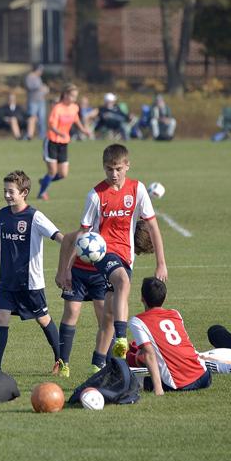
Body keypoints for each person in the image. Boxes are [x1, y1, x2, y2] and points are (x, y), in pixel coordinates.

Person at [57, 144, 167, 372]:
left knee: (107, 315)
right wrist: (67, 268)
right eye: (109, 169)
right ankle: (121, 338)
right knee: (123, 283)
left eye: (117, 168)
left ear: (127, 166)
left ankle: (98, 365)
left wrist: (161, 263)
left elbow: (153, 227)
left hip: (125, 255)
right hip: (101, 253)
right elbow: (83, 235)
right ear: (103, 168)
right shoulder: (95, 195)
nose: (113, 174)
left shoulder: (138, 189)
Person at [0, 170, 64, 372]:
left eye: (11, 191)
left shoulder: (35, 217)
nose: (6, 195)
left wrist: (72, 256)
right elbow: (1, 238)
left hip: (30, 282)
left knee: (43, 319)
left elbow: (59, 237)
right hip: (7, 280)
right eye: (4, 191)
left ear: (24, 192)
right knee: (0, 317)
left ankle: (61, 359)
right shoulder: (2, 214)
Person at [127, 277, 211, 395]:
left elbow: (149, 354)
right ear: (165, 297)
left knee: (126, 380)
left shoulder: (137, 321)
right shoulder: (175, 313)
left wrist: (158, 389)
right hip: (204, 376)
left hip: (178, 384)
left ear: (142, 298)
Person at [37, 83, 90, 200]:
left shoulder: (74, 107)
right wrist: (59, 132)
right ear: (65, 95)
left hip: (64, 143)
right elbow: (51, 125)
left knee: (63, 174)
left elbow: (76, 119)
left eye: (75, 96)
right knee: (52, 171)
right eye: (72, 96)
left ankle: (45, 181)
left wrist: (83, 130)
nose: (74, 99)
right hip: (52, 141)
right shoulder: (57, 108)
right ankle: (42, 193)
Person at [25, 64, 48, 139]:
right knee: (32, 118)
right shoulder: (30, 77)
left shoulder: (38, 78)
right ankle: (29, 134)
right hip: (33, 101)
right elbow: (30, 87)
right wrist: (40, 87)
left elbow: (41, 88)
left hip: (41, 100)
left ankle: (42, 135)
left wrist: (45, 89)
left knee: (42, 118)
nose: (41, 72)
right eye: (40, 70)